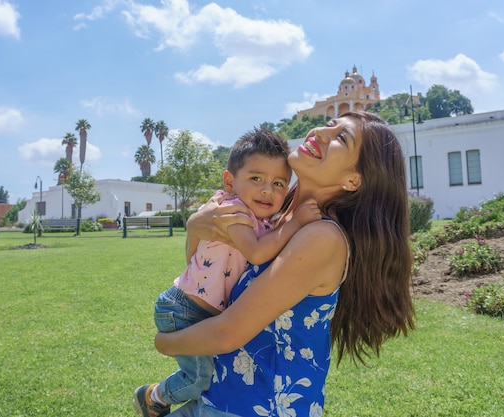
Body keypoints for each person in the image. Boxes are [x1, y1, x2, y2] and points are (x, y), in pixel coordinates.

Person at [154, 111, 416, 416]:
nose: (319, 132)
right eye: (329, 125)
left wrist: (164, 343)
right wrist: (196, 228)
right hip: (220, 395)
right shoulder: (273, 218)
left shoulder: (321, 237)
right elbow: (206, 270)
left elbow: (228, 333)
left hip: (261, 407)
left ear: (353, 180)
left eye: (341, 138)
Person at [133, 128, 322, 417]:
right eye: (256, 178)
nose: (266, 190)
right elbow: (257, 252)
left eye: (278, 183)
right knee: (200, 379)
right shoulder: (232, 210)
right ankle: (151, 396)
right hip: (185, 309)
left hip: (204, 310)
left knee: (208, 378)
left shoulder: (263, 220)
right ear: (229, 181)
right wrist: (296, 223)